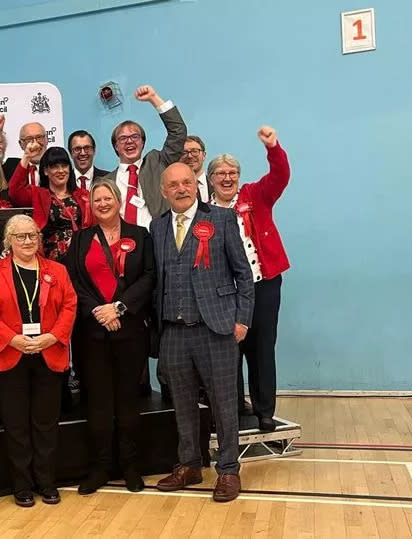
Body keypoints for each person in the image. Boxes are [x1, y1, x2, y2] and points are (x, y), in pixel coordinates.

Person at [150, 163, 254, 502]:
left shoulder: (222, 220)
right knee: (182, 404)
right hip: (175, 332)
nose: (181, 189)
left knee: (225, 403)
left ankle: (227, 470)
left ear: (196, 185)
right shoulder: (159, 226)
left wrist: (242, 320)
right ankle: (190, 464)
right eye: (173, 185)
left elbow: (244, 274)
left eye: (187, 182)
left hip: (217, 328)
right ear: (164, 191)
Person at [64, 179, 155, 494]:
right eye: (97, 199)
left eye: (108, 198)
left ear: (118, 200)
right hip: (92, 333)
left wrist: (119, 307)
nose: (102, 203)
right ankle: (100, 467)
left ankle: (130, 466)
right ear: (91, 204)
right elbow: (73, 279)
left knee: (128, 400)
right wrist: (99, 311)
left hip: (129, 330)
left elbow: (148, 276)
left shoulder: (140, 236)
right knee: (98, 403)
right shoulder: (80, 239)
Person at [0, 215, 77, 507]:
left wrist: (53, 337)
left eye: (32, 235)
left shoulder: (57, 271)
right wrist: (12, 339)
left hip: (48, 354)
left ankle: (46, 483)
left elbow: (69, 305)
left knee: (46, 424)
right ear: (8, 241)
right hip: (11, 355)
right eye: (20, 236)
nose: (27, 241)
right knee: (16, 426)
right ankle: (22, 485)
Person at [208, 126, 291, 432]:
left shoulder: (256, 195)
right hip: (225, 293)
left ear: (239, 176)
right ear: (211, 179)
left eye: (232, 172)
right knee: (228, 353)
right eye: (220, 173)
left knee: (262, 349)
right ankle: (231, 412)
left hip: (263, 285)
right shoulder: (204, 212)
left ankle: (265, 411)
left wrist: (273, 147)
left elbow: (280, 175)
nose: (227, 178)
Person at [101, 85, 187, 227]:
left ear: (142, 142)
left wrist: (154, 98)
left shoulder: (158, 163)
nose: (129, 141)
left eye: (135, 136)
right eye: (123, 138)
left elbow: (178, 132)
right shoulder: (106, 181)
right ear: (116, 146)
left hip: (156, 241)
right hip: (120, 244)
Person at [8, 145, 94, 260]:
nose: (61, 171)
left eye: (64, 166)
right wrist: (27, 157)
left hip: (81, 258)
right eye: (54, 167)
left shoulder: (84, 195)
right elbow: (14, 191)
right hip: (50, 261)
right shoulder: (38, 194)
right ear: (45, 171)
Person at [0, 115, 48, 183]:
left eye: (39, 137)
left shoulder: (55, 167)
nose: (35, 143)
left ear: (47, 140)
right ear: (21, 144)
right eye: (29, 139)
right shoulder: (10, 166)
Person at [181, 135, 210, 202]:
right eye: (184, 152)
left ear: (204, 155)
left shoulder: (215, 185)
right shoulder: (173, 189)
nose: (189, 156)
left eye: (195, 151)